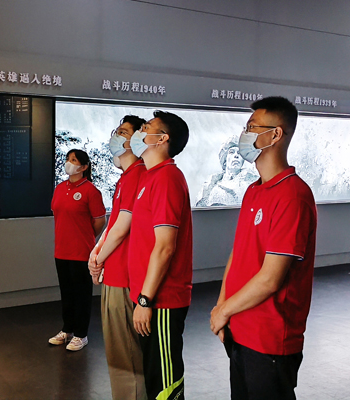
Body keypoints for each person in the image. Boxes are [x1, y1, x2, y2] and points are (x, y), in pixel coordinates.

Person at [210, 97, 317, 400]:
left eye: (252, 127)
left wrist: (224, 311)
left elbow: (271, 278)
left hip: (269, 339)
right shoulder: (254, 190)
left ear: (275, 134)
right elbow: (239, 254)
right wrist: (222, 309)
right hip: (240, 329)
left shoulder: (293, 195)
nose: (244, 135)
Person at [128, 111, 193, 400]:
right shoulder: (150, 176)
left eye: (146, 127)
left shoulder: (167, 178)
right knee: (155, 376)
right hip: (149, 296)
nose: (139, 132)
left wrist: (145, 300)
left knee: (166, 384)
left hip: (161, 300)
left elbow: (165, 247)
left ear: (162, 138)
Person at [88, 115, 147, 399]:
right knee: (117, 352)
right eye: (116, 131)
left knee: (126, 354)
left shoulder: (137, 174)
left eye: (123, 132)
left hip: (124, 275)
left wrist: (98, 258)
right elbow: (113, 224)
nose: (115, 136)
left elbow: (123, 226)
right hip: (114, 272)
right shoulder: (126, 177)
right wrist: (97, 251)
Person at [50, 149, 106, 351]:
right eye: (68, 159)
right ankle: (67, 329)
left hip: (81, 251)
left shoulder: (91, 191)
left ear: (84, 167)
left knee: (81, 294)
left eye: (73, 160)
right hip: (61, 250)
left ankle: (81, 334)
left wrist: (86, 236)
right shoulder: (60, 188)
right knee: (66, 292)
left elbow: (100, 220)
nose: (69, 163)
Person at [195, 135, 259, 207]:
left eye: (239, 153)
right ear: (225, 160)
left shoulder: (251, 183)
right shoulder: (212, 186)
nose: (236, 156)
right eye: (231, 152)